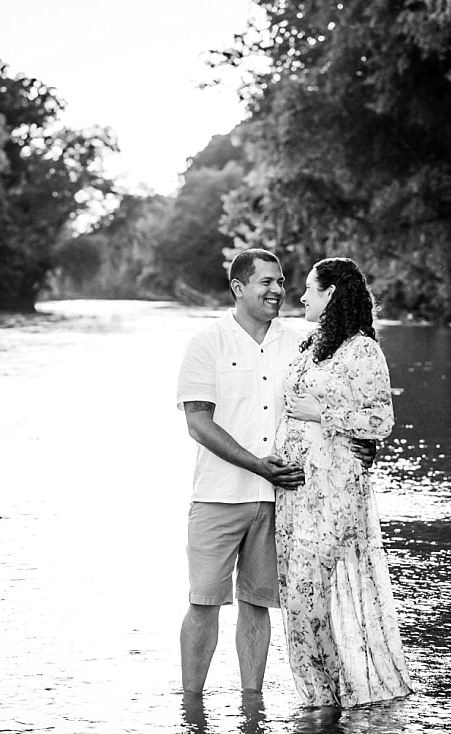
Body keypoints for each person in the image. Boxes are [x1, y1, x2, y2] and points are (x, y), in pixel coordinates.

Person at [175, 248, 375, 697]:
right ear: (239, 288)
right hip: (219, 495)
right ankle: (191, 710)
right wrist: (256, 465)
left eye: (282, 281)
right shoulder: (207, 343)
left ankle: (252, 707)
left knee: (257, 604)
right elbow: (198, 423)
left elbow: (339, 398)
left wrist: (361, 441)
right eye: (266, 282)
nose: (277, 290)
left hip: (284, 499)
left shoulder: (302, 343)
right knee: (204, 601)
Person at [273, 257, 413, 712]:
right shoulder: (308, 343)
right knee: (294, 596)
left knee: (310, 597)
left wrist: (323, 415)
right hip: (294, 491)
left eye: (310, 289)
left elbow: (380, 419)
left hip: (335, 489)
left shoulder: (362, 350)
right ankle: (318, 703)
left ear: (331, 293)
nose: (301, 297)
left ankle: (339, 698)